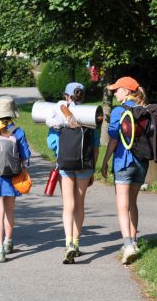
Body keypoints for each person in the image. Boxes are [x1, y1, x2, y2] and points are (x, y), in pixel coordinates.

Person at [46, 82, 100, 264]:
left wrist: (59, 154)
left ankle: (68, 242)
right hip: (85, 165)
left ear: (66, 95)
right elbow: (95, 146)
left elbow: (52, 143)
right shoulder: (90, 115)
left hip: (66, 164)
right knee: (79, 203)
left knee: (68, 203)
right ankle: (76, 243)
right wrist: (93, 167)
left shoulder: (60, 114)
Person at [100, 76, 148, 265]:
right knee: (132, 203)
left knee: (122, 204)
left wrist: (105, 162)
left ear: (127, 91)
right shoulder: (144, 109)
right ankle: (134, 242)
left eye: (117, 89)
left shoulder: (119, 110)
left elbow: (113, 139)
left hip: (123, 161)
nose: (114, 92)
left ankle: (127, 245)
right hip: (142, 163)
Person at [0, 96, 31, 263]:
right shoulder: (18, 132)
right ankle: (8, 242)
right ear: (12, 114)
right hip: (13, 177)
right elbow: (25, 156)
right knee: (9, 211)